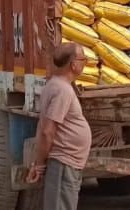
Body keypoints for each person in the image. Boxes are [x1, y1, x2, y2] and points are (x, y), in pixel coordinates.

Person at [26, 42, 92, 210]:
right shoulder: (62, 90)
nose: (85, 62)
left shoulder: (57, 85)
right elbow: (47, 132)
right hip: (63, 164)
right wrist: (39, 164)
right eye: (83, 59)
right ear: (73, 64)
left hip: (67, 164)